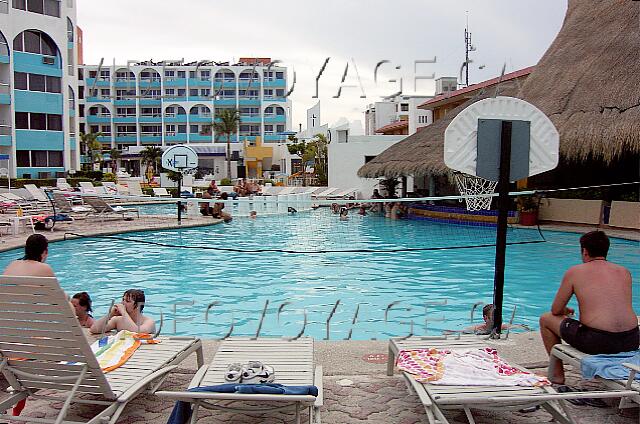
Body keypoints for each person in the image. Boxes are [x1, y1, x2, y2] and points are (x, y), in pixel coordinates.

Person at [539, 230, 638, 384]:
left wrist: (565, 312)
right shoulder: (624, 272)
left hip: (598, 341)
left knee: (546, 319)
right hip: (631, 339)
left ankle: (557, 376)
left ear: (585, 251)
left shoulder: (575, 272)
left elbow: (555, 310)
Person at [90, 289, 156, 334]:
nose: (123, 303)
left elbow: (136, 333)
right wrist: (110, 315)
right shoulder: (118, 320)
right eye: (123, 300)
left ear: (138, 306)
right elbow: (94, 330)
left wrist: (123, 312)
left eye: (127, 301)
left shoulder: (149, 322)